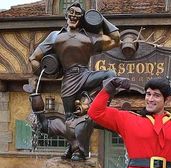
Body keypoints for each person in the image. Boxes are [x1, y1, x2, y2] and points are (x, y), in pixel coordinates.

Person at [29, 2, 120, 158]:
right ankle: (75, 148)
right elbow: (34, 58)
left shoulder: (89, 37)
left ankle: (98, 105)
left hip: (85, 75)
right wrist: (52, 73)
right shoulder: (55, 36)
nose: (73, 15)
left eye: (78, 14)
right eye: (71, 12)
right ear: (66, 15)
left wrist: (99, 18)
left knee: (110, 75)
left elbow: (115, 39)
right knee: (71, 119)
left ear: (82, 18)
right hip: (68, 80)